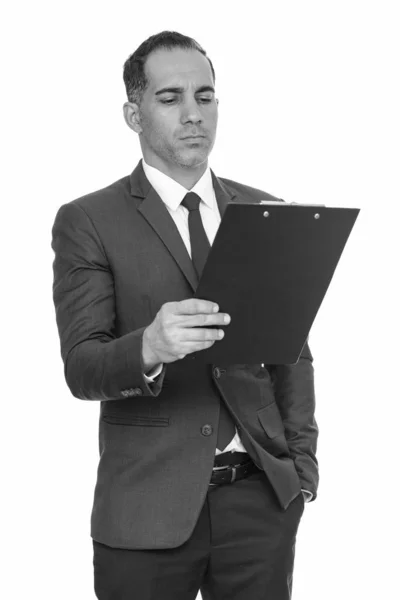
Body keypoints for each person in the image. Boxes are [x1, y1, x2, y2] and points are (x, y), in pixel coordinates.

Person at [51, 30, 318, 600]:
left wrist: (300, 473)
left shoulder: (264, 210)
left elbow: (293, 353)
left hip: (260, 505)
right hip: (145, 507)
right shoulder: (88, 221)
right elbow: (82, 366)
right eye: (170, 98)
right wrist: (148, 345)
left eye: (206, 96)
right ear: (133, 113)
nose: (193, 114)